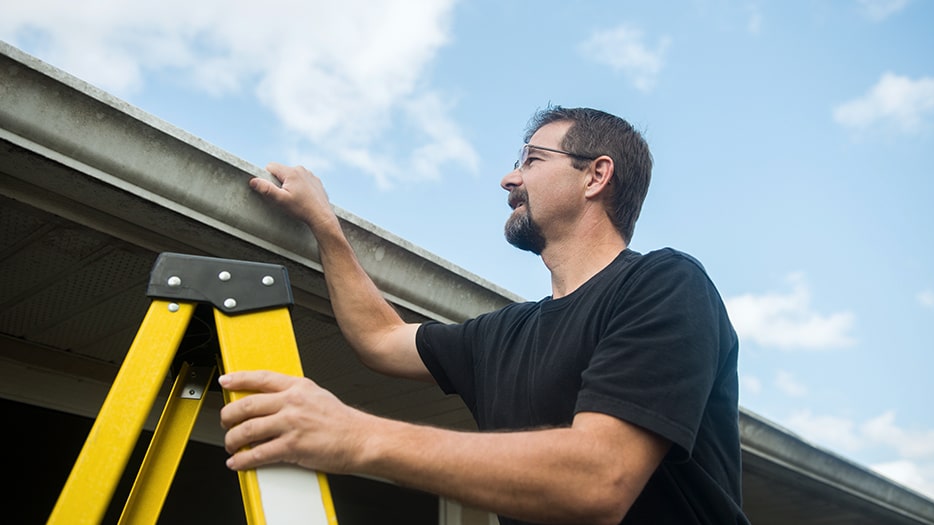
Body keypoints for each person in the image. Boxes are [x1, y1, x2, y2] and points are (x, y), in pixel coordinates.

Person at [220, 106, 749, 524]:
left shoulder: (664, 284)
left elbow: (599, 478)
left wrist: (358, 436)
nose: (508, 178)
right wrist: (324, 225)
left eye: (532, 160)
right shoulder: (504, 335)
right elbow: (380, 338)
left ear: (596, 176)